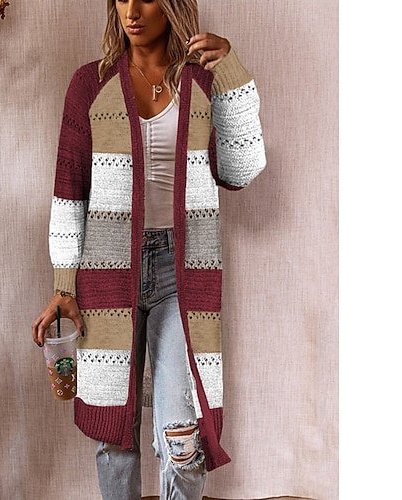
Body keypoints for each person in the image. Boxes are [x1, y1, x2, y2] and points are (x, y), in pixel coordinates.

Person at [32, 0, 266, 498]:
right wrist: (63, 286)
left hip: (183, 271)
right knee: (115, 431)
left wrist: (232, 74)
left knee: (181, 432)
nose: (131, 10)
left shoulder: (204, 81)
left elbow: (240, 171)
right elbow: (69, 189)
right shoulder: (90, 84)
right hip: (105, 270)